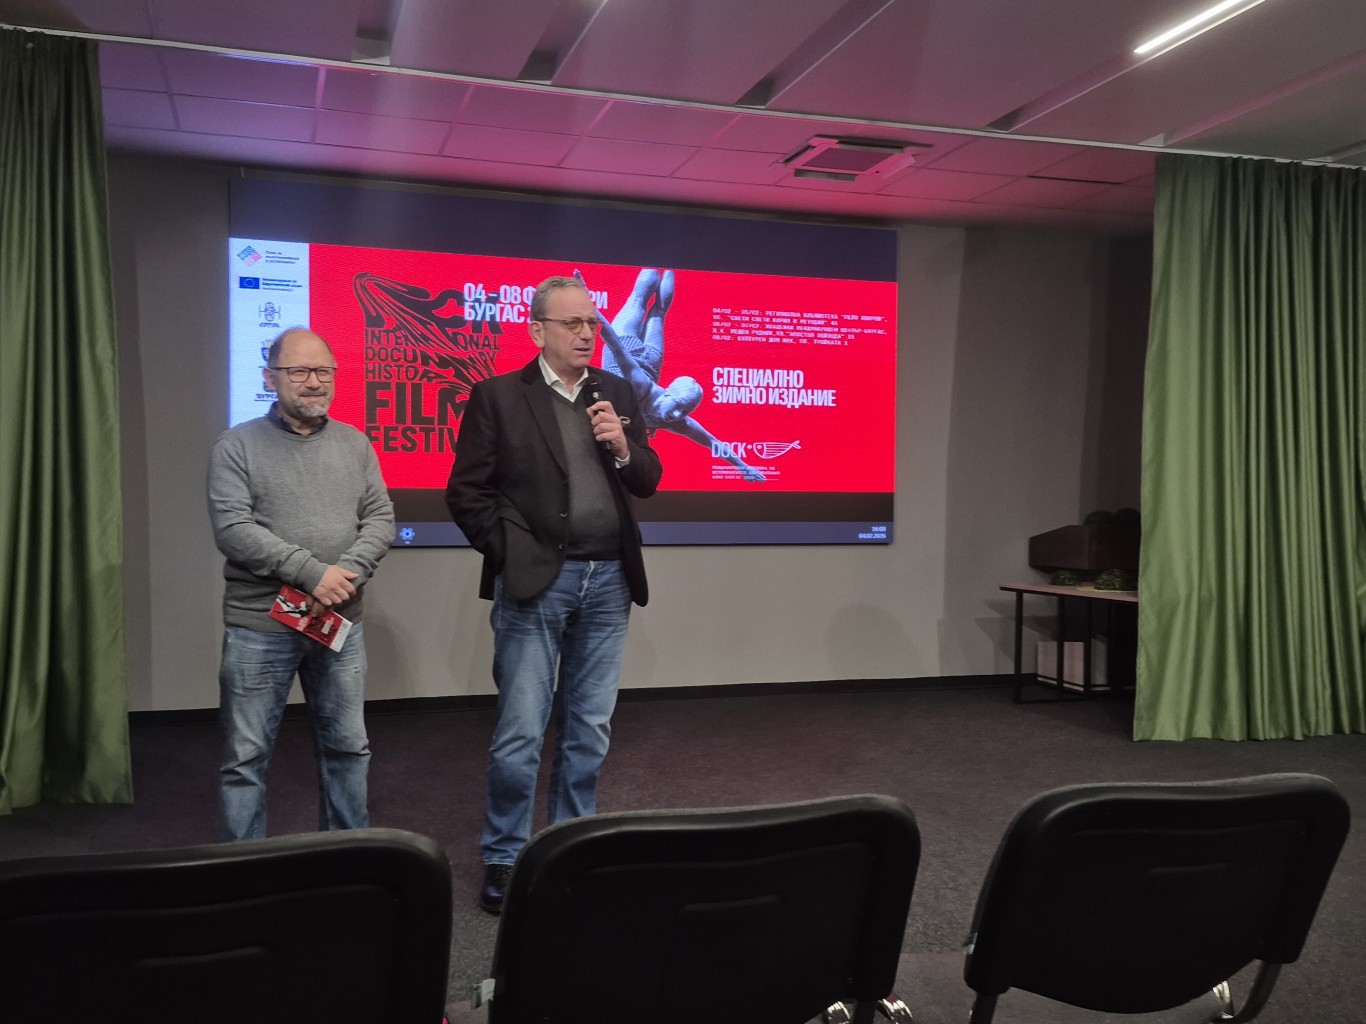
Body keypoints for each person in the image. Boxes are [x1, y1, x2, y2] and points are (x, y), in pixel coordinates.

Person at [445, 275, 662, 913]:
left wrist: (622, 447)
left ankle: (570, 849)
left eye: (591, 323)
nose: (587, 334)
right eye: (572, 324)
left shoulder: (616, 392)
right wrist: (510, 552)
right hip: (537, 582)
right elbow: (467, 493)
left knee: (588, 731)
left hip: (609, 581)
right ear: (538, 330)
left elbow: (648, 478)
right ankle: (506, 856)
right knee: (521, 731)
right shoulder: (498, 397)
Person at [207, 327, 394, 842]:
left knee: (348, 749)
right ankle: (243, 870)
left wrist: (345, 575)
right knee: (245, 759)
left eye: (323, 371)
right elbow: (233, 529)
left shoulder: (355, 443)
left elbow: (380, 517)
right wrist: (314, 574)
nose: (314, 382)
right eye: (299, 372)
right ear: (270, 378)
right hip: (260, 626)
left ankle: (346, 860)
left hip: (339, 620)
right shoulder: (236, 445)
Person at [579, 267, 766, 482]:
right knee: (639, 300)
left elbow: (713, 442)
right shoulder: (641, 387)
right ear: (668, 393)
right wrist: (589, 305)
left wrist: (744, 468)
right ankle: (657, 261)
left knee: (659, 311)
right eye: (679, 406)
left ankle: (669, 265)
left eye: (684, 411)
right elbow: (616, 346)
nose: (677, 414)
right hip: (627, 348)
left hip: (650, 361)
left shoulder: (673, 421)